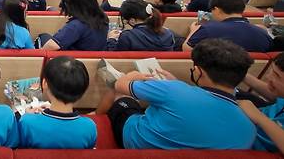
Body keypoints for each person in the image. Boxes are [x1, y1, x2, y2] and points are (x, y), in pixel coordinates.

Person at [97, 38, 256, 149]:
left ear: (199, 72)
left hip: (135, 140)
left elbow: (121, 85)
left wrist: (129, 76)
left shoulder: (174, 90)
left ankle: (97, 117)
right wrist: (174, 85)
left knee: (121, 94)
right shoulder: (249, 129)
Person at [19, 56, 96, 149]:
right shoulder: (89, 127)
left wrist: (27, 116)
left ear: (44, 84)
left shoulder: (27, 122)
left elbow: (22, 150)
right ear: (83, 90)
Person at [184, 0, 272, 52]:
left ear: (216, 10)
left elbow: (187, 50)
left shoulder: (208, 29)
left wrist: (193, 30)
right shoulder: (262, 33)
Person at [239, 52, 284, 152]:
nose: (268, 77)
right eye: (272, 71)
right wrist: (242, 75)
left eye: (277, 75)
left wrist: (259, 117)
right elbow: (274, 95)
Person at [42, 0, 109, 51]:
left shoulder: (76, 25)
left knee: (43, 36)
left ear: (74, 6)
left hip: (72, 59)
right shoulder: (103, 17)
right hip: (93, 56)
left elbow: (51, 46)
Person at [107, 0, 175, 51]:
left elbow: (116, 57)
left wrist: (111, 39)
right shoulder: (168, 33)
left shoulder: (127, 36)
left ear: (132, 20)